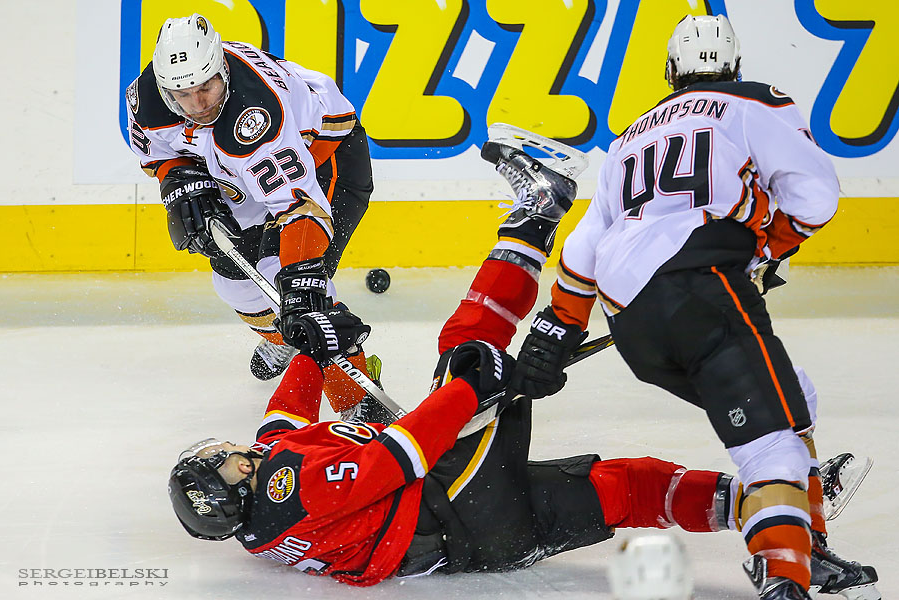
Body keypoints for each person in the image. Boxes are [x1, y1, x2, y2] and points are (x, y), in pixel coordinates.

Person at [167, 138, 869, 594]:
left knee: (619, 488)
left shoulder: (262, 508)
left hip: (475, 542)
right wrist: (469, 389)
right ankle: (538, 209)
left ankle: (774, 517)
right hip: (448, 495)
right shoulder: (290, 487)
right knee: (468, 346)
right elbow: (400, 456)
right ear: (232, 490)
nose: (229, 452)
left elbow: (283, 418)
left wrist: (309, 349)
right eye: (221, 464)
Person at [509, 14, 879, 600]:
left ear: (671, 70)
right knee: (773, 442)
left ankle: (810, 543)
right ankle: (785, 575)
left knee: (793, 393)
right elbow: (815, 194)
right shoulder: (755, 102)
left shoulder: (630, 135)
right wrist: (766, 247)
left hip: (631, 321)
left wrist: (556, 329)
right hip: (700, 285)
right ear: (732, 68)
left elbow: (584, 248)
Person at [125, 13, 376, 416]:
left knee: (303, 292)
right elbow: (159, 155)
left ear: (222, 68)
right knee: (232, 275)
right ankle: (283, 342)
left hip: (325, 155)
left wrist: (300, 283)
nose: (198, 104)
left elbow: (299, 207)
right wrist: (178, 180)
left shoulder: (254, 116)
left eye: (206, 87)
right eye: (184, 95)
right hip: (242, 170)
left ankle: (357, 402)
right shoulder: (147, 99)